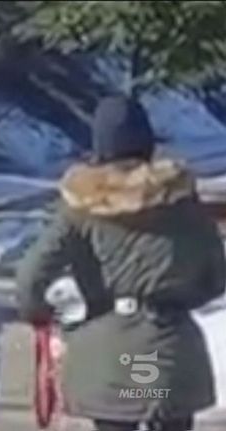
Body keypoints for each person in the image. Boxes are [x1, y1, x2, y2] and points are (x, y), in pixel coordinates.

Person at [16, 95, 226, 431]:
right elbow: (216, 275)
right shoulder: (182, 203)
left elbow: (31, 275)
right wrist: (178, 299)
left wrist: (40, 313)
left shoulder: (82, 208)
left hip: (109, 349)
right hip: (170, 348)